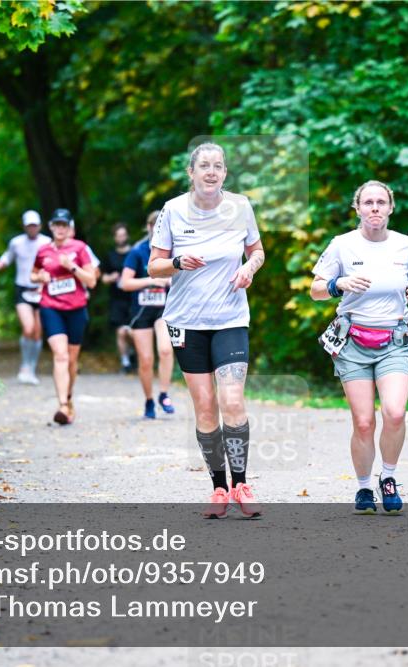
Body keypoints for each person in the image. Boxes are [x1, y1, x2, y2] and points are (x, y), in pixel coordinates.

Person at [148, 143, 265, 519]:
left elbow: (258, 251)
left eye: (218, 166)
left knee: (232, 400)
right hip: (186, 321)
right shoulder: (173, 210)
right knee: (205, 406)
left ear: (225, 173)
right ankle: (218, 487)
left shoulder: (241, 206)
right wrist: (178, 261)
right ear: (192, 172)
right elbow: (154, 267)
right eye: (204, 166)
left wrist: (249, 269)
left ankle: (242, 483)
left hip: (230, 317)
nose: (211, 172)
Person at [310, 180, 408, 514]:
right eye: (368, 203)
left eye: (380, 202)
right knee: (363, 422)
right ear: (357, 208)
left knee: (395, 412)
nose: (374, 208)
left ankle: (387, 478)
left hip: (394, 341)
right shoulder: (342, 245)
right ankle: (363, 487)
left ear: (390, 208)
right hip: (353, 343)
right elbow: (315, 289)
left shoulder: (405, 245)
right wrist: (338, 284)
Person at [31, 208, 97, 425]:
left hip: (76, 309)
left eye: (64, 225)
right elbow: (33, 274)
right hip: (51, 307)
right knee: (60, 355)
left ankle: (68, 399)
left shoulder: (80, 248)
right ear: (50, 227)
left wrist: (73, 267)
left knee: (71, 360)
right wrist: (39, 276)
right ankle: (61, 405)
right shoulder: (42, 251)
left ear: (70, 228)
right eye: (56, 225)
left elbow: (91, 281)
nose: (60, 229)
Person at [121, 211, 175, 419]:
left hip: (164, 309)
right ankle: (149, 400)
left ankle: (163, 394)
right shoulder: (137, 252)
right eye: (155, 226)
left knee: (165, 350)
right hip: (141, 312)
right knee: (145, 359)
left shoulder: (172, 251)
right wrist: (151, 281)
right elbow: (125, 283)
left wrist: (170, 281)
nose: (158, 230)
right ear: (149, 227)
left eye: (162, 226)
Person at [0, 210, 51, 384]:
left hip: (41, 289)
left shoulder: (47, 242)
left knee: (37, 332)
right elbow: (8, 256)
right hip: (23, 288)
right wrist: (2, 263)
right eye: (29, 226)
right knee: (28, 328)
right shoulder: (16, 242)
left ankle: (32, 368)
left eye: (34, 225)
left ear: (40, 226)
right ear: (24, 226)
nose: (32, 228)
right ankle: (25, 365)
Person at [101, 223, 135, 373]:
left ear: (127, 235)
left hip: (134, 298)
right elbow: (102, 277)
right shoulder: (110, 256)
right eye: (118, 235)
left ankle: (134, 353)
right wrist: (110, 277)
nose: (121, 238)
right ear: (115, 238)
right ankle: (125, 362)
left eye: (123, 235)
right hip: (117, 299)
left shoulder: (135, 253)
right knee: (121, 332)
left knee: (133, 331)